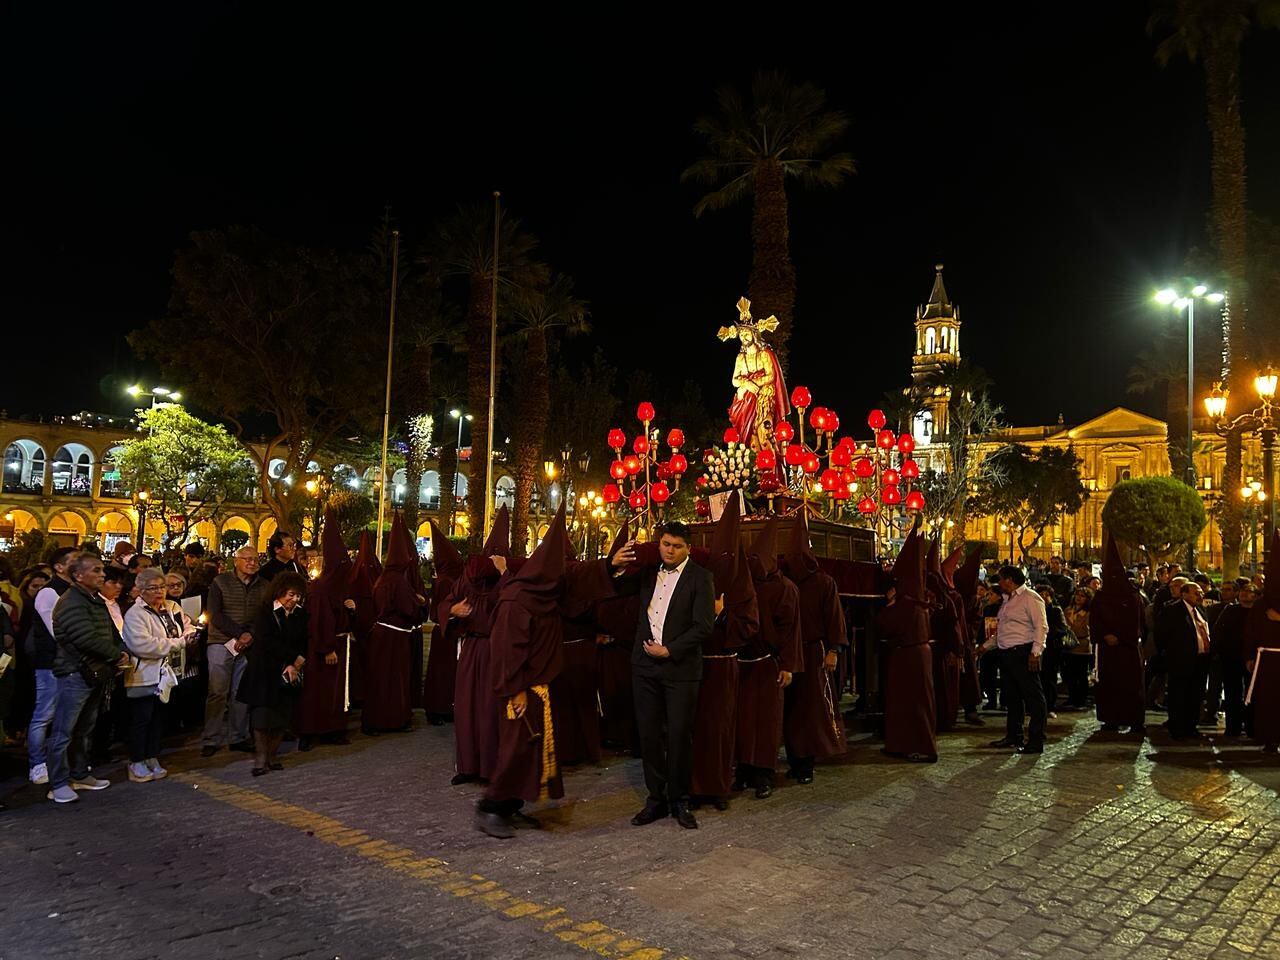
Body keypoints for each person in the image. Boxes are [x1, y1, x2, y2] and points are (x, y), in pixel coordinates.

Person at [476, 504, 630, 838]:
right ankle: (490, 806)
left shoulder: (546, 593)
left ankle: (510, 804)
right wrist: (515, 690)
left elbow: (577, 577)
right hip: (518, 690)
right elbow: (505, 650)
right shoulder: (517, 600)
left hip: (538, 689)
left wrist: (610, 565)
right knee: (514, 748)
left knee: (529, 748)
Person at [630, 520, 715, 830]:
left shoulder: (701, 578)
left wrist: (670, 650)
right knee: (649, 734)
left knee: (679, 734)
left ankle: (679, 799)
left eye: (677, 546)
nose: (670, 550)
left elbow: (704, 625)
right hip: (645, 667)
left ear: (688, 549)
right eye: (666, 543)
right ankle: (656, 798)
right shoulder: (647, 573)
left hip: (681, 668)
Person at [689, 496, 756, 810]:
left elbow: (749, 625)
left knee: (720, 729)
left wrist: (722, 615)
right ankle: (696, 786)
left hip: (725, 667)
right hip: (698, 665)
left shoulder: (743, 587)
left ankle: (718, 788)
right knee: (697, 728)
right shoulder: (701, 577)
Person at [46, 554, 127, 803]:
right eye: (97, 570)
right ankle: (58, 782)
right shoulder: (72, 602)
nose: (103, 575)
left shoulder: (93, 600)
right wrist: (117, 654)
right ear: (78, 575)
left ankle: (79, 774)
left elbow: (111, 631)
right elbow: (85, 638)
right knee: (64, 731)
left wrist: (120, 650)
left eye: (102, 570)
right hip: (76, 672)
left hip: (95, 672)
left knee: (84, 728)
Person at [735, 518, 800, 799]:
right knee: (743, 720)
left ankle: (764, 774)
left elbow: (790, 630)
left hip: (768, 663)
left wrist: (787, 665)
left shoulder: (786, 589)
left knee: (766, 722)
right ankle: (744, 771)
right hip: (743, 662)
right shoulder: (741, 584)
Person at [783, 514, 849, 784]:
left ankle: (806, 763)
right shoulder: (784, 582)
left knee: (811, 709)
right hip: (790, 652)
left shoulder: (823, 582)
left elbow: (834, 618)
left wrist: (833, 649)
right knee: (792, 708)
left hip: (813, 652)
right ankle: (794, 758)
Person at [444, 508, 509, 782]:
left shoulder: (509, 582)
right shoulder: (467, 581)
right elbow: (446, 603)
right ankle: (468, 766)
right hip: (471, 650)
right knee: (467, 707)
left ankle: (491, 769)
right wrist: (452, 610)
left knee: (490, 711)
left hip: (496, 652)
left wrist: (506, 574)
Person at [121, 568, 191, 782]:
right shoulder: (136, 614)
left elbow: (187, 627)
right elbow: (143, 645)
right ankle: (137, 760)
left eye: (162, 587)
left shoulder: (172, 607)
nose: (159, 592)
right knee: (142, 718)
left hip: (168, 674)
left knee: (158, 718)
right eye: (153, 588)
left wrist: (187, 636)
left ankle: (152, 756)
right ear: (141, 590)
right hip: (145, 673)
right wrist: (177, 643)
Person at [876, 520, 937, 763]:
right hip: (910, 656)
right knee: (903, 702)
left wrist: (889, 604)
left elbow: (883, 624)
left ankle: (923, 748)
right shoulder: (919, 601)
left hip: (910, 657)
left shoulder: (907, 604)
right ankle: (899, 743)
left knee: (915, 704)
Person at [202, 545, 271, 756]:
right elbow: (215, 613)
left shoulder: (264, 586)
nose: (252, 563)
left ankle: (238, 736)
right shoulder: (220, 582)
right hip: (221, 642)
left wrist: (249, 634)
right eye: (247, 559)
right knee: (217, 691)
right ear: (236, 560)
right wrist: (238, 633)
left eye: (255, 560)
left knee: (240, 693)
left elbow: (264, 614)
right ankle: (211, 738)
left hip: (248, 644)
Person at [237, 572, 308, 775]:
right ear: (280, 591)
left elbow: (303, 639)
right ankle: (260, 758)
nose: (294, 600)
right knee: (261, 716)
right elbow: (266, 642)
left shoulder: (300, 614)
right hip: (264, 670)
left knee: (281, 716)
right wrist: (292, 659)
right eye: (291, 594)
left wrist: (296, 663)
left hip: (289, 672)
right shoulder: (265, 612)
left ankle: (272, 755)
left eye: (298, 596)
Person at [298, 508, 354, 750]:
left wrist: (349, 608)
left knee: (334, 691)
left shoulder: (336, 588)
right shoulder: (321, 590)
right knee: (317, 692)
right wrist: (327, 648)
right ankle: (311, 732)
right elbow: (319, 621)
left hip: (338, 644)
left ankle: (333, 729)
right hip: (324, 650)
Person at [363, 514, 424, 734]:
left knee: (380, 680)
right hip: (394, 638)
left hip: (382, 635)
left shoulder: (383, 578)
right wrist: (420, 604)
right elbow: (409, 609)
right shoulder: (398, 581)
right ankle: (392, 720)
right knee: (394, 681)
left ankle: (376, 720)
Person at [977, 566, 1047, 754]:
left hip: (1023, 652)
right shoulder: (1007, 601)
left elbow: (1041, 626)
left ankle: (1035, 739)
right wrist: (985, 646)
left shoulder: (1030, 598)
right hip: (1006, 653)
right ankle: (1013, 735)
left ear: (1010, 580)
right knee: (1012, 698)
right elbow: (1002, 629)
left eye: (1000, 579)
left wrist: (1036, 651)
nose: (999, 583)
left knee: (1033, 698)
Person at [26, 548, 77, 786]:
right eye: (74, 561)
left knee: (64, 716)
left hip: (71, 663)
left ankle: (60, 761)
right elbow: (58, 630)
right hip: (51, 663)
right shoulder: (49, 592)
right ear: (59, 566)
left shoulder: (75, 591)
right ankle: (37, 763)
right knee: (44, 714)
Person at [1091, 532, 1147, 733]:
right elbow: (1095, 620)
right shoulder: (1100, 597)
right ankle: (1111, 719)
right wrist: (1105, 635)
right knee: (1109, 685)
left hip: (1128, 649)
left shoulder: (1133, 597)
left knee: (1131, 686)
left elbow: (1137, 621)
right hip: (1108, 649)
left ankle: (1134, 721)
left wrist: (1122, 637)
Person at [1158, 580, 1212, 739]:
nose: (1200, 595)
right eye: (1196, 592)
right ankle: (1178, 727)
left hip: (1201, 660)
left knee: (1196, 695)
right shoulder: (1172, 610)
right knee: (1179, 694)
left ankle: (1191, 726)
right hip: (1181, 661)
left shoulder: (1201, 610)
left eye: (1201, 592)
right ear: (1184, 593)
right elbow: (1162, 636)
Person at [423, 522, 464, 725]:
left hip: (447, 632)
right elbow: (439, 609)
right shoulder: (446, 581)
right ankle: (437, 708)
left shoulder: (444, 579)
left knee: (444, 672)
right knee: (442, 672)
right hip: (446, 632)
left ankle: (443, 707)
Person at [926, 539, 963, 732]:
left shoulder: (947, 602)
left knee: (942, 689)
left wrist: (955, 651)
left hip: (942, 652)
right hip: (930, 652)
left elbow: (953, 626)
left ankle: (944, 720)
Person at [1213, 581, 1253, 738]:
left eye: (1249, 591)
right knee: (1232, 693)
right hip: (1231, 657)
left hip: (1251, 658)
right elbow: (1218, 630)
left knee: (1251, 693)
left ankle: (1251, 726)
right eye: (1243, 591)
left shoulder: (1257, 612)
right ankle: (1233, 727)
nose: (1244, 594)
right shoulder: (1230, 610)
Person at [1062, 587, 1094, 709]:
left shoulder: (1089, 613)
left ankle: (1081, 699)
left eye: (1082, 596)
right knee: (1070, 674)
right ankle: (1072, 697)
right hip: (1069, 645)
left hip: (1083, 646)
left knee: (1081, 674)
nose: (1078, 598)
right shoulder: (1068, 610)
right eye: (1077, 595)